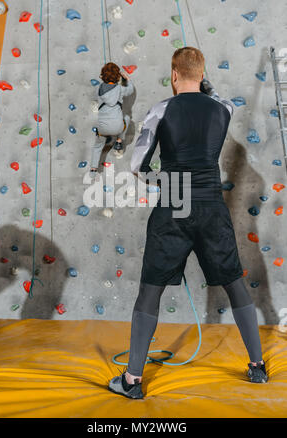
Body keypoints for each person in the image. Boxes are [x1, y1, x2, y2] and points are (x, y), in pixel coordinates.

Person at [108, 47, 268, 400]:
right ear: (202, 73)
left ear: (174, 74)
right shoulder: (223, 109)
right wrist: (203, 88)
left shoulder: (161, 109)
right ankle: (257, 367)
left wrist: (163, 181)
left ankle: (132, 381)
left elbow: (137, 165)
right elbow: (220, 100)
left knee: (151, 287)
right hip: (212, 203)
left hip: (175, 202)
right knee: (234, 283)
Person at [89, 62, 134, 178]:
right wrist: (128, 79)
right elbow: (130, 90)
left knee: (98, 146)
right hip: (117, 127)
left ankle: (93, 170)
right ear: (117, 76)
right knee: (127, 118)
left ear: (102, 75)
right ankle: (119, 142)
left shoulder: (98, 88)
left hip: (102, 128)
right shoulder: (120, 89)